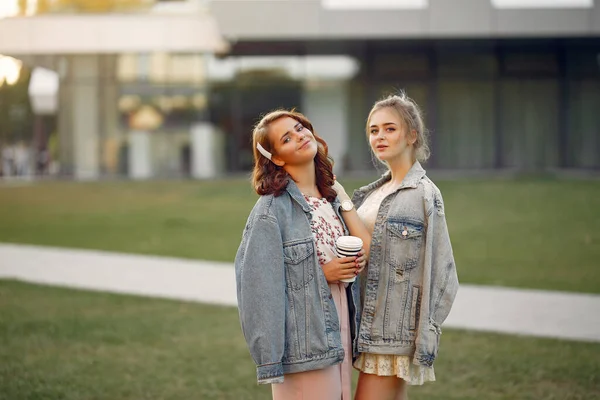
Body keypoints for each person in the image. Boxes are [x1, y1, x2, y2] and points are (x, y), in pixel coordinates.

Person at [234, 109, 371, 399]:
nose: (299, 136)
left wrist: (341, 194)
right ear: (278, 158)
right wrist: (325, 274)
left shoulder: (328, 199)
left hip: (339, 328)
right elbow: (258, 288)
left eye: (299, 128)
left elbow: (366, 249)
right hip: (304, 343)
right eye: (286, 138)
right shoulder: (271, 212)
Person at [351, 93, 459, 400]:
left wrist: (425, 333)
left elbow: (443, 271)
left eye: (390, 128)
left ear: (412, 135)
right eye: (374, 130)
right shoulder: (371, 194)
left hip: (392, 331)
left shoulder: (424, 194)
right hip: (366, 324)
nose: (380, 137)